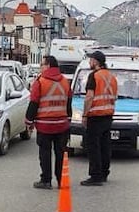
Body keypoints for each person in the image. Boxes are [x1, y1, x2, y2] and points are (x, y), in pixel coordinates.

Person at [25, 55, 72, 190]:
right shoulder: (64, 81)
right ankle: (61, 180)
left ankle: (46, 180)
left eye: (42, 64)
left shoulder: (40, 82)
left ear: (49, 66)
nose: (41, 67)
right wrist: (68, 119)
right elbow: (69, 102)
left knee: (45, 153)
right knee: (60, 153)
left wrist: (29, 120)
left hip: (45, 124)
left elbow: (34, 102)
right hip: (62, 124)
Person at [81, 50, 118, 186]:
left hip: (95, 116)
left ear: (96, 62)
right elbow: (114, 96)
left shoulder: (94, 76)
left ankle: (95, 175)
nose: (90, 62)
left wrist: (85, 115)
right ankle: (104, 172)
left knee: (93, 147)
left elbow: (89, 97)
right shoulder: (111, 77)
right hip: (108, 115)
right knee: (105, 145)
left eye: (91, 60)